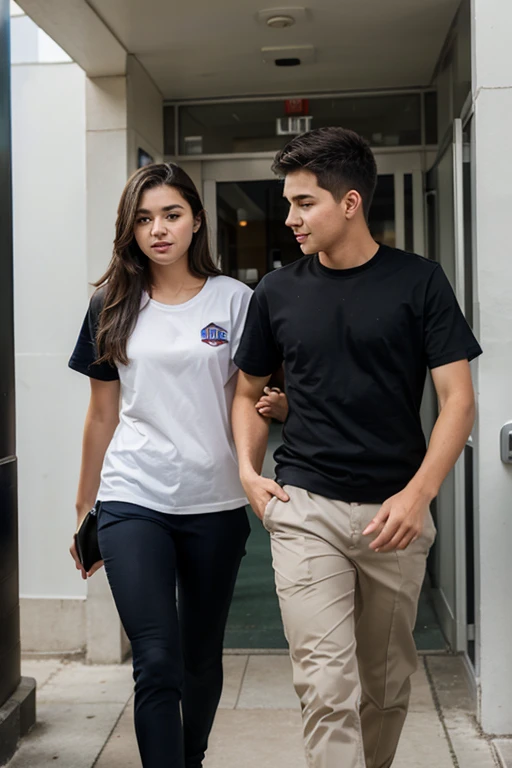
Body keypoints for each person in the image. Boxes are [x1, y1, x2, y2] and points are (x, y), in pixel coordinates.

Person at [231, 127, 482, 768]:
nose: (289, 218)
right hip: (306, 509)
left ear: (349, 203)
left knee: (386, 685)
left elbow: (459, 400)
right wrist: (248, 471)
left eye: (303, 203)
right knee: (326, 688)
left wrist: (418, 494)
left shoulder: (420, 282)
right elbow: (246, 391)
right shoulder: (277, 292)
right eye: (287, 203)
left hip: (393, 516)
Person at [68, 162, 283, 768]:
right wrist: (86, 509)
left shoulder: (237, 301)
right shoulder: (111, 304)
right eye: (143, 219)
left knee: (200, 659)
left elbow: (251, 403)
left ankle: (190, 757)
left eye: (170, 214)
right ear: (129, 230)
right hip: (133, 498)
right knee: (156, 660)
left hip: (214, 504)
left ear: (196, 221)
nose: (158, 229)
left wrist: (248, 474)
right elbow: (102, 415)